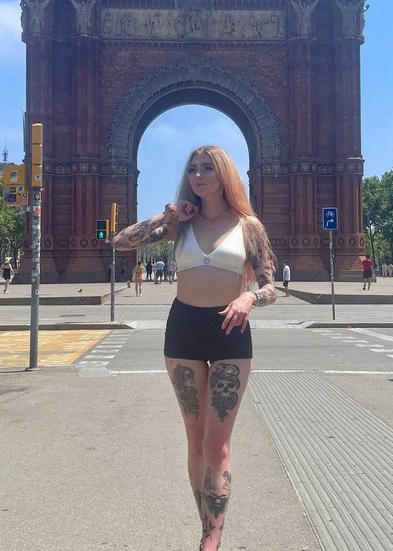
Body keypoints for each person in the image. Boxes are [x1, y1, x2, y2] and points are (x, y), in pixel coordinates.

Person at [113, 145, 277, 551]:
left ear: (224, 175)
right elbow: (120, 242)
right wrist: (165, 217)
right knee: (195, 435)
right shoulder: (181, 225)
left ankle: (212, 538)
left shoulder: (248, 226)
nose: (198, 175)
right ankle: (205, 524)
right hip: (184, 328)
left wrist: (250, 297)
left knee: (216, 443)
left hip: (230, 329)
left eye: (207, 168)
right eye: (193, 169)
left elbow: (272, 286)